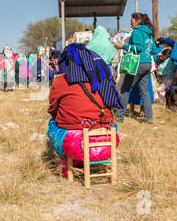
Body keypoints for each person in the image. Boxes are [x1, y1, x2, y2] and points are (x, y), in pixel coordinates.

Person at [47, 44, 122, 176]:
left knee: (52, 124)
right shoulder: (102, 77)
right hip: (107, 143)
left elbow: (53, 108)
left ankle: (68, 162)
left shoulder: (61, 81)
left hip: (75, 144)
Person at [114, 13, 160, 124]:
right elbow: (154, 50)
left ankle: (119, 116)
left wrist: (123, 46)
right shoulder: (149, 33)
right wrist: (146, 53)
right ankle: (149, 118)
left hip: (137, 63)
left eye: (132, 20)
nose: (131, 22)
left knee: (125, 88)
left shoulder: (137, 32)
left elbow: (138, 47)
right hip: (147, 64)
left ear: (138, 20)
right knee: (144, 91)